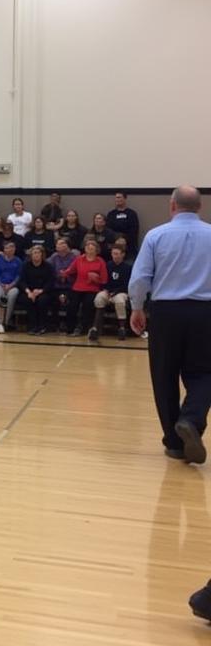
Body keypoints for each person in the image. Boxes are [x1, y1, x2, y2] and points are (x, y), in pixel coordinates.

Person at [129, 186, 211, 464]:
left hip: (166, 313)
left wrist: (137, 308)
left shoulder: (156, 235)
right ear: (199, 207)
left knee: (164, 376)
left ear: (172, 206)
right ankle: (191, 419)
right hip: (205, 312)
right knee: (204, 374)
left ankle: (175, 443)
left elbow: (140, 278)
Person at [65, 239, 107, 340]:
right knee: (72, 305)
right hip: (78, 287)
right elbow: (70, 270)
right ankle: (70, 328)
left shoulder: (100, 261)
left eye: (92, 248)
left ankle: (84, 328)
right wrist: (63, 273)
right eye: (87, 247)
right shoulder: (79, 259)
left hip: (92, 288)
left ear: (96, 250)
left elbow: (104, 279)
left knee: (88, 305)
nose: (89, 249)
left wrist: (95, 278)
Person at [95, 244, 131, 340]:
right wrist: (106, 289)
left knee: (120, 300)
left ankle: (122, 328)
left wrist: (115, 292)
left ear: (122, 254)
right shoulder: (108, 265)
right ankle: (96, 328)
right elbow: (104, 280)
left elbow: (127, 284)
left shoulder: (127, 268)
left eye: (117, 254)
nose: (115, 256)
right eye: (113, 253)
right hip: (109, 291)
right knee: (99, 298)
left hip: (121, 291)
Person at [20, 245, 55, 335]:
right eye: (34, 253)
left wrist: (40, 291)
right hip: (29, 291)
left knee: (42, 301)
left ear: (42, 255)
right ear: (31, 255)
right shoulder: (26, 265)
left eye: (38, 253)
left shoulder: (48, 266)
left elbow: (50, 282)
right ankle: (32, 326)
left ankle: (42, 326)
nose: (36, 255)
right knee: (27, 300)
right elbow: (22, 281)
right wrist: (28, 292)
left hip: (44, 291)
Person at [47, 237, 76, 332]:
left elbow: (76, 271)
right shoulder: (53, 257)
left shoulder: (74, 257)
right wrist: (59, 276)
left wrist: (66, 275)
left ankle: (70, 326)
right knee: (51, 299)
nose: (59, 245)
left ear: (67, 245)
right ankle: (54, 324)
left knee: (71, 300)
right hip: (56, 285)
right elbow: (49, 271)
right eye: (58, 244)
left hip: (70, 286)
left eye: (62, 243)